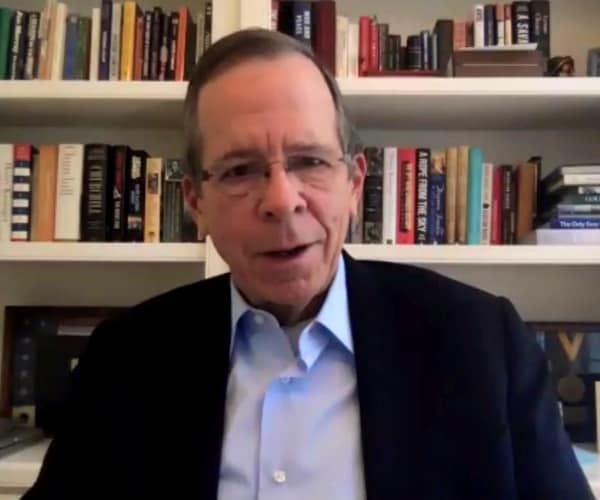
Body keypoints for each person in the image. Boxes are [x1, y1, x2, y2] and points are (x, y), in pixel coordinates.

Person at [23, 29, 592, 500]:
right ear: (197, 202)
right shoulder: (125, 356)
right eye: (241, 170)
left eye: (309, 161)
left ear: (354, 183)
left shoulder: (483, 343)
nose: (281, 200)